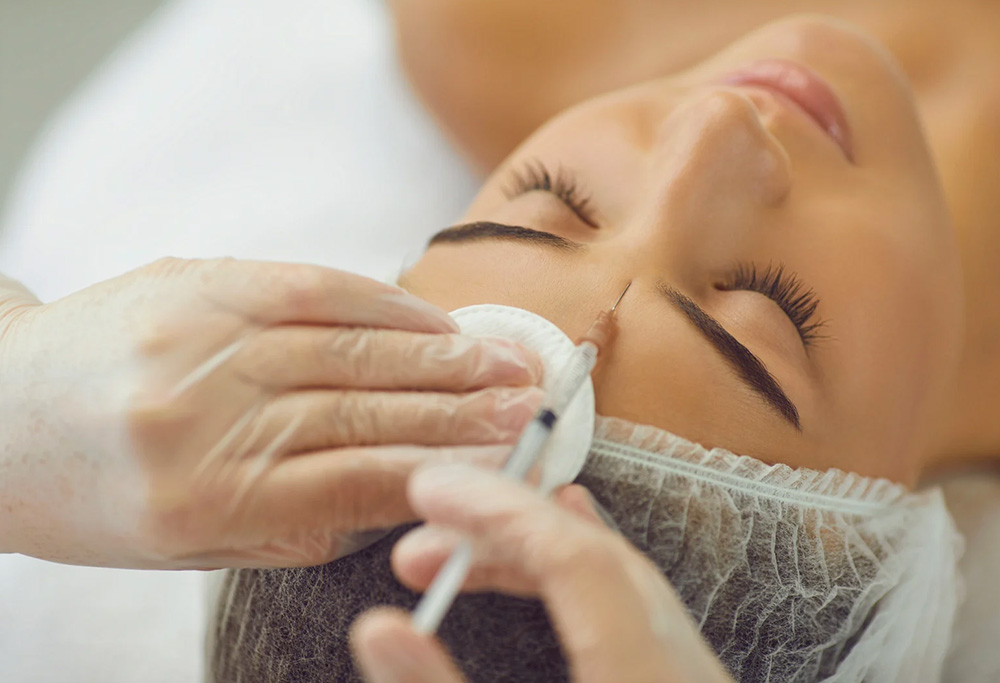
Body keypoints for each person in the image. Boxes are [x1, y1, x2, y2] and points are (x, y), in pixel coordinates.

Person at [208, 11, 993, 683]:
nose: (714, 124)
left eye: (550, 200)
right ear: (886, 574)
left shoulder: (491, 26)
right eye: (767, 310)